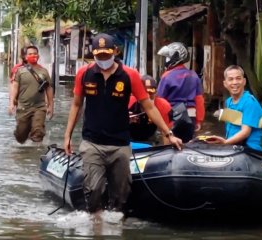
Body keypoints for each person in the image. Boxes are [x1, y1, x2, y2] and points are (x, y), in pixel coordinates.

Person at [63, 33, 183, 215]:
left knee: (121, 194)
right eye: (99, 56)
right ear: (93, 54)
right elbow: (77, 105)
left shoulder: (129, 75)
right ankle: (96, 224)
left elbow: (149, 106)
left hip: (120, 144)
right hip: (92, 142)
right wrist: (67, 136)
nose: (103, 59)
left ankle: (115, 223)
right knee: (94, 189)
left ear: (115, 51)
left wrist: (168, 134)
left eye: (106, 55)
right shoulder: (84, 73)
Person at [204, 65, 262, 151]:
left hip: (249, 150)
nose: (235, 82)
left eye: (238, 78)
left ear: (244, 81)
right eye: (231, 79)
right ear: (225, 84)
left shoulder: (250, 102)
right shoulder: (229, 101)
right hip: (233, 147)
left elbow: (245, 132)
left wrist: (225, 143)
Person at [157, 42, 205, 143]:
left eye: (168, 57)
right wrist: (199, 120)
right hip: (191, 115)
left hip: (173, 113)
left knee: (169, 145)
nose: (167, 60)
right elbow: (199, 99)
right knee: (188, 146)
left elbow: (160, 100)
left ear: (175, 57)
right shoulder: (193, 75)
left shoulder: (166, 76)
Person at [8, 45, 54, 144]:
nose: (33, 55)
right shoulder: (19, 70)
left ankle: (36, 154)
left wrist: (50, 105)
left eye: (35, 53)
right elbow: (14, 87)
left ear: (38, 56)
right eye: (30, 54)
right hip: (23, 107)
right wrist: (11, 103)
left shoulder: (44, 71)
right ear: (25, 56)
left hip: (39, 107)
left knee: (38, 132)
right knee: (21, 137)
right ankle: (28, 130)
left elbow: (49, 88)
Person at [128, 74, 172, 141]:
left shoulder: (163, 105)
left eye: (151, 91)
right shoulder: (129, 102)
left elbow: (166, 133)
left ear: (156, 92)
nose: (148, 96)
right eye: (144, 93)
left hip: (151, 137)